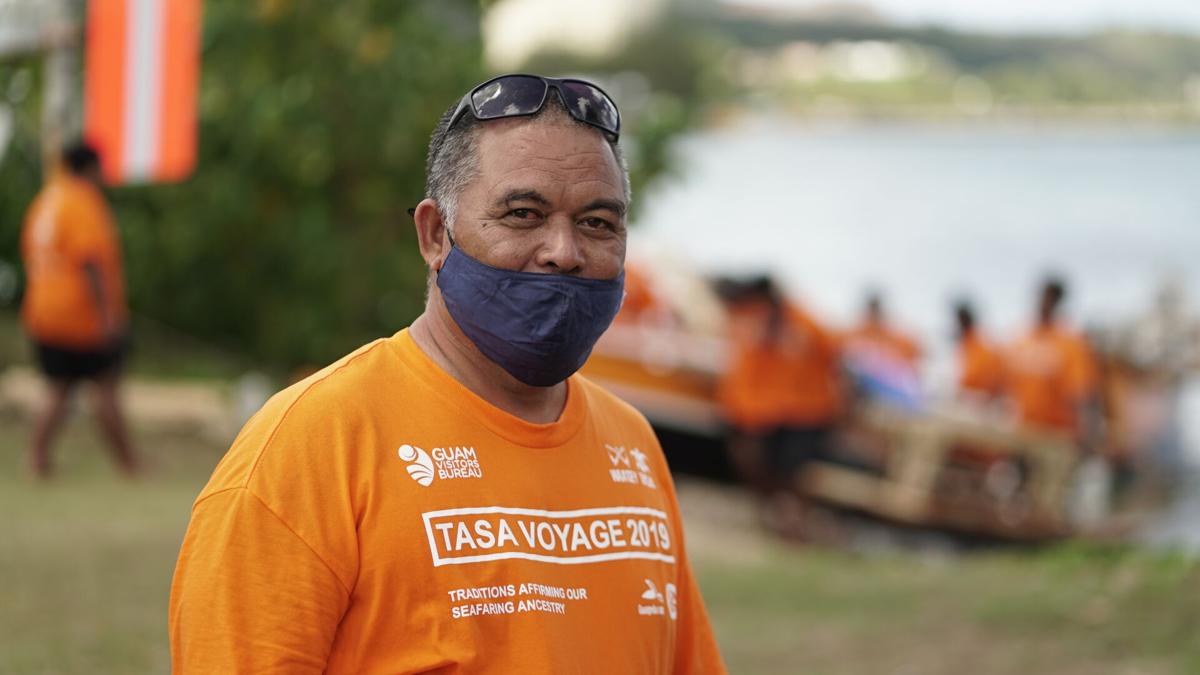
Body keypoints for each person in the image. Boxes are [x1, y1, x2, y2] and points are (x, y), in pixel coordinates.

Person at [169, 74, 726, 673]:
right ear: (436, 235)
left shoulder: (632, 443)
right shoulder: (311, 445)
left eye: (597, 222)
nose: (564, 250)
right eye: (522, 213)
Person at [20, 141, 136, 479]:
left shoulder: (46, 201)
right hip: (80, 317)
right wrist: (108, 315)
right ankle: (128, 463)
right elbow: (90, 261)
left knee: (58, 388)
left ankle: (36, 459)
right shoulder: (83, 202)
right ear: (89, 169)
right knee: (106, 387)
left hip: (43, 313)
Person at [717, 276, 843, 496]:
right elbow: (744, 373)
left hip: (802, 412)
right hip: (764, 412)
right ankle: (775, 504)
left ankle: (783, 506)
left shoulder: (801, 323)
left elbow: (832, 354)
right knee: (763, 464)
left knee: (788, 469)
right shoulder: (752, 321)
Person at [1005, 276, 1098, 437]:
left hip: (1055, 435)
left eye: (1050, 298)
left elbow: (1081, 394)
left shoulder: (1070, 344)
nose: (1044, 302)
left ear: (1058, 302)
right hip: (1021, 429)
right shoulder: (1021, 339)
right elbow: (1004, 384)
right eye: (1042, 296)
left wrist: (1086, 432)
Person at [953, 300, 1004, 399]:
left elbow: (990, 376)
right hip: (972, 395)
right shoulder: (967, 342)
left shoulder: (979, 342)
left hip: (980, 397)